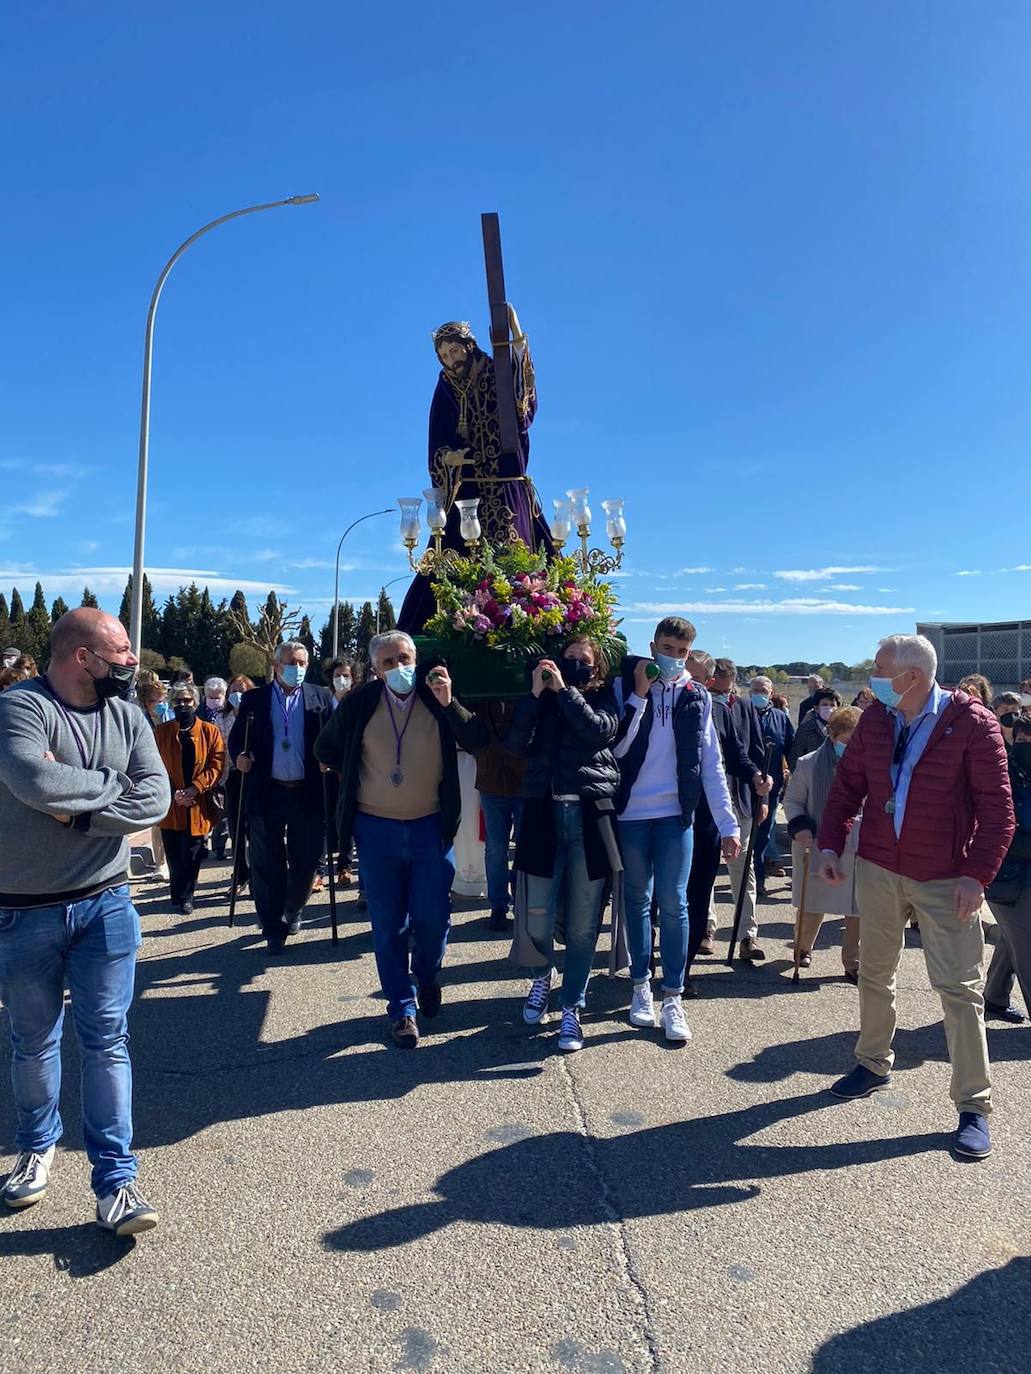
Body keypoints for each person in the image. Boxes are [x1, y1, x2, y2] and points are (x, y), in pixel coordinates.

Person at [0, 608, 170, 1234]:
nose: (131, 661)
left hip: (107, 901)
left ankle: (116, 1182)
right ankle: (36, 1147)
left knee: (107, 1038)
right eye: (122, 650)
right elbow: (30, 776)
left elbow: (155, 795)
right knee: (34, 1039)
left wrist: (78, 811)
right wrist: (113, 785)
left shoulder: (128, 715)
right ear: (82, 657)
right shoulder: (20, 708)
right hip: (23, 909)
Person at [816, 634, 1015, 1161]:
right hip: (880, 869)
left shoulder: (972, 724)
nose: (872, 678)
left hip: (946, 878)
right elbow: (847, 787)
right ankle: (873, 1062)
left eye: (881, 669)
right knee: (874, 973)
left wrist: (977, 877)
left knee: (959, 990)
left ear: (911, 677)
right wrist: (831, 843)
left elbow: (999, 812)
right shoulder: (877, 720)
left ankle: (973, 1106)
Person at [314, 631, 487, 1046]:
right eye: (388, 663)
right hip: (376, 830)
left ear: (418, 658)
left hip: (430, 827)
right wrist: (358, 769)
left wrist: (450, 704)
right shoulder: (359, 703)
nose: (399, 668)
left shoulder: (435, 696)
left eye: (405, 658)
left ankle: (428, 975)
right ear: (375, 669)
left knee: (432, 920)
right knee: (387, 926)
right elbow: (325, 748)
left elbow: (478, 741)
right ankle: (402, 1008)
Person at [613, 619, 740, 1041]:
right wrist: (639, 697)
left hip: (675, 814)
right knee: (637, 899)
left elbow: (711, 763)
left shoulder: (697, 696)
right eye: (667, 649)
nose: (674, 658)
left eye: (682, 652)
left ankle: (673, 995)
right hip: (631, 812)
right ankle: (639, 986)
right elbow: (618, 749)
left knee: (675, 903)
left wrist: (727, 823)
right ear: (653, 647)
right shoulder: (628, 685)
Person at [397, 308, 553, 632]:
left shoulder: (495, 369)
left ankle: (524, 623)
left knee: (520, 560)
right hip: (466, 491)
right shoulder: (445, 387)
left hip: (506, 485)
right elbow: (436, 440)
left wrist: (518, 340)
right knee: (447, 564)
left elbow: (523, 401)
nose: (450, 359)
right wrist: (447, 457)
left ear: (468, 346)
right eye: (443, 354)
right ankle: (459, 624)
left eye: (454, 350)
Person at [508, 637, 620, 1053]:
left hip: (590, 817)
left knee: (583, 922)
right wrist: (537, 697)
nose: (571, 664)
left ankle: (573, 1006)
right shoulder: (538, 700)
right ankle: (541, 977)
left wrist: (565, 692)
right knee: (536, 914)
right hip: (542, 815)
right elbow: (515, 745)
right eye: (566, 658)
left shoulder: (604, 697)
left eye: (582, 660)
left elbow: (597, 733)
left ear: (596, 669)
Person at [228, 642, 334, 953]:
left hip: (307, 791)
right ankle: (273, 926)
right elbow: (237, 741)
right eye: (290, 662)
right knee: (266, 864)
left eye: (302, 662)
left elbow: (332, 737)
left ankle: (294, 907)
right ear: (276, 666)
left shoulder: (320, 697)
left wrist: (330, 758)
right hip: (267, 789)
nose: (297, 668)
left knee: (305, 862)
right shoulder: (254, 699)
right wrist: (239, 758)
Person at [783, 706, 862, 977]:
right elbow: (792, 801)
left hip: (857, 846)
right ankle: (802, 948)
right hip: (816, 840)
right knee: (813, 901)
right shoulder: (808, 764)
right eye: (847, 741)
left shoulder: (872, 765)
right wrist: (801, 826)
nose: (852, 747)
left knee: (857, 905)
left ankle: (853, 960)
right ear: (833, 736)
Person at [709, 658, 774, 959]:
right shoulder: (703, 704)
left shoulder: (746, 707)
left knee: (742, 867)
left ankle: (748, 934)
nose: (722, 693)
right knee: (706, 867)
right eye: (716, 688)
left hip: (744, 798)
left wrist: (763, 796)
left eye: (726, 687)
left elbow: (756, 753)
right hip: (710, 798)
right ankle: (706, 928)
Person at [154, 684, 226, 914]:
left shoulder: (209, 731)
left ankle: (188, 896)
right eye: (178, 701)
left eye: (187, 701)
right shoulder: (162, 732)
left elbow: (217, 764)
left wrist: (196, 788)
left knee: (193, 852)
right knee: (174, 852)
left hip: (198, 802)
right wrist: (172, 791)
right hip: (171, 802)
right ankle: (177, 894)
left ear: (195, 703)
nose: (183, 705)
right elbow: (152, 764)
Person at [984, 710, 1031, 1022]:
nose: (1025, 743)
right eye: (1022, 738)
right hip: (1007, 875)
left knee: (1015, 938)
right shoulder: (1002, 772)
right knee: (1026, 944)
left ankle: (994, 997)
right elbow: (1001, 826)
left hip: (1017, 873)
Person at [471, 699, 526, 931]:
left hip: (523, 779)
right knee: (495, 847)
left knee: (524, 847)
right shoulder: (482, 691)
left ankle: (522, 902)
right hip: (491, 778)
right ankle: (499, 905)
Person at [748, 675, 795, 890]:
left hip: (771, 786)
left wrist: (792, 773)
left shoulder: (780, 718)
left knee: (764, 832)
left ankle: (758, 880)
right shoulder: (741, 713)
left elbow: (791, 748)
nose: (759, 694)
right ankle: (744, 878)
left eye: (763, 691)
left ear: (771, 692)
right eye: (755, 690)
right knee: (745, 833)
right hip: (745, 784)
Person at [224, 674, 254, 894]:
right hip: (232, 777)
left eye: (242, 690)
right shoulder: (222, 719)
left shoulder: (256, 716)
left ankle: (256, 875)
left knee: (255, 829)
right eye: (233, 690)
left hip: (253, 776)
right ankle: (239, 873)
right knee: (235, 828)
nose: (237, 695)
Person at [198, 677, 231, 860]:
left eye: (218, 697)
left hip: (224, 767)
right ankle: (201, 842)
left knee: (221, 809)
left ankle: (219, 845)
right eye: (211, 697)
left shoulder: (229, 712)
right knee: (203, 807)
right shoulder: (199, 712)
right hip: (203, 768)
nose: (214, 700)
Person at [789, 688, 842, 769]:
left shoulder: (843, 729)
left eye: (832, 705)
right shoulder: (806, 729)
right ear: (817, 708)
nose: (829, 708)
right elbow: (795, 758)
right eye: (824, 705)